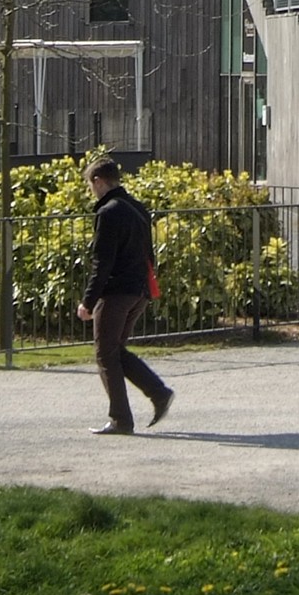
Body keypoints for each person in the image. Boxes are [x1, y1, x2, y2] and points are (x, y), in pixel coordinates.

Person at [74, 156, 172, 435]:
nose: (91, 190)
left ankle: (122, 419)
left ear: (98, 181)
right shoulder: (137, 208)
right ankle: (157, 394)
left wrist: (88, 301)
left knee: (105, 353)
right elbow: (148, 254)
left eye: (90, 184)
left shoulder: (108, 212)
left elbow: (102, 262)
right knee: (114, 350)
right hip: (139, 289)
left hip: (117, 291)